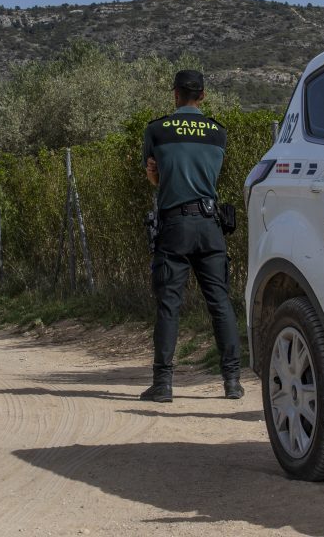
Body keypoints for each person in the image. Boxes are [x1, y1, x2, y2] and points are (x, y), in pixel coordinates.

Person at [140, 69, 242, 403]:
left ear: (175, 94)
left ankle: (163, 384)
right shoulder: (218, 133)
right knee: (220, 303)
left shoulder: (157, 130)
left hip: (175, 226)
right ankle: (232, 382)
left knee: (169, 304)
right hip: (211, 225)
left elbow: (156, 179)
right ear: (203, 95)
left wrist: (158, 176)